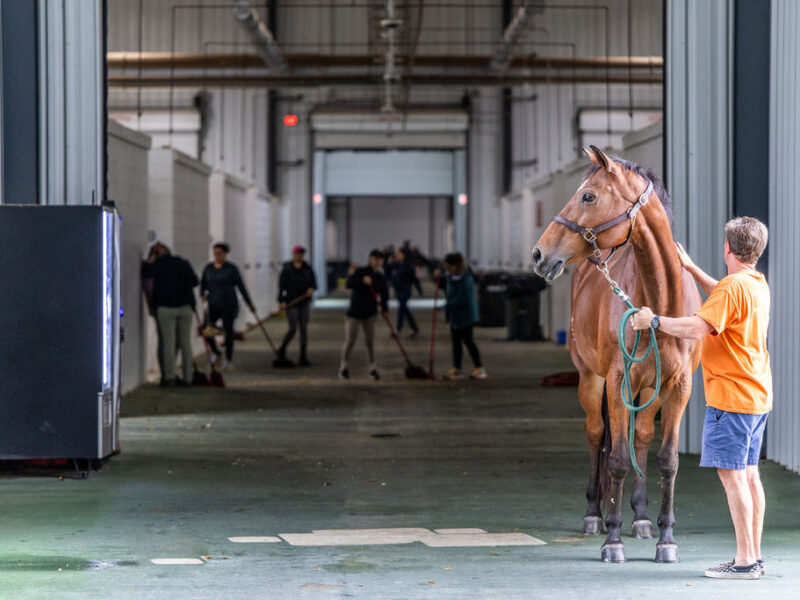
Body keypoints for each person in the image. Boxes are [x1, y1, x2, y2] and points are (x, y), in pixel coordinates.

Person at [631, 217, 771, 580]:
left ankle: (743, 562)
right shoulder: (754, 283)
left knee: (734, 477)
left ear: (727, 248)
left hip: (731, 397)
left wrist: (654, 321)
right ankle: (752, 556)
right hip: (756, 396)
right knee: (750, 477)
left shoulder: (731, 289)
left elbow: (699, 325)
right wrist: (692, 269)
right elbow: (722, 300)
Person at [140, 243, 199, 387]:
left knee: (168, 344)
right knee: (185, 343)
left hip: (165, 309)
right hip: (185, 308)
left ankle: (169, 377)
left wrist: (149, 262)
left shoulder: (157, 265)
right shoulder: (183, 263)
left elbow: (145, 274)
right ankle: (188, 378)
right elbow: (195, 281)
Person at [201, 242, 255, 371]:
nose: (217, 256)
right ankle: (216, 352)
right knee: (206, 329)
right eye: (215, 253)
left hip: (228, 304)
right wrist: (203, 296)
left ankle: (228, 358)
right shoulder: (208, 268)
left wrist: (249, 303)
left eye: (219, 253)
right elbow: (203, 284)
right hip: (213, 305)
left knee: (228, 331)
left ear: (225, 254)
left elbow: (241, 286)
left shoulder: (231, 268)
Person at [339, 249, 389, 381]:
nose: (376, 262)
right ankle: (343, 367)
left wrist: (385, 309)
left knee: (370, 342)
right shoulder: (360, 271)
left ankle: (372, 368)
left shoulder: (380, 277)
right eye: (374, 259)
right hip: (354, 313)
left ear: (382, 262)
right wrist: (361, 281)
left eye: (379, 260)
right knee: (350, 340)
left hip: (370, 314)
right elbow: (349, 284)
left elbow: (384, 294)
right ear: (370, 259)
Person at [438, 252, 487, 381]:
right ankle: (456, 368)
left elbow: (464, 299)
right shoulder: (450, 277)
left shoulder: (466, 279)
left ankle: (479, 368)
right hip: (455, 316)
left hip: (466, 316)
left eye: (448, 267)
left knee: (468, 341)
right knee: (456, 343)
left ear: (455, 266)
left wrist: (446, 306)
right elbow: (445, 288)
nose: (447, 269)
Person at [277, 245, 317, 366]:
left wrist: (311, 289)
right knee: (293, 328)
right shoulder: (287, 269)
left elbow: (314, 283)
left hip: (304, 302)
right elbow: (281, 286)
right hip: (291, 303)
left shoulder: (307, 268)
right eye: (298, 254)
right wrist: (281, 301)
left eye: (302, 254)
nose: (300, 256)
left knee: (303, 329)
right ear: (293, 254)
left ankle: (303, 357)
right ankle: (282, 349)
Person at [387, 248, 423, 338]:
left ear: (404, 255)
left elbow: (414, 279)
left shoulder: (408, 266)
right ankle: (414, 328)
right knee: (405, 310)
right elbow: (387, 270)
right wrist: (389, 262)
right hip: (398, 291)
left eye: (399, 253)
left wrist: (419, 290)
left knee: (401, 309)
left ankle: (398, 329)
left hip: (405, 290)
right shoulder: (397, 265)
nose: (397, 255)